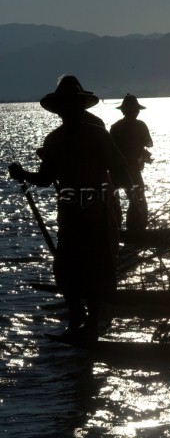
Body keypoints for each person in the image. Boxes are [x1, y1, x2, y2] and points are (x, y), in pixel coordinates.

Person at [8, 76, 134, 345]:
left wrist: (128, 198)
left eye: (73, 105)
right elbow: (45, 178)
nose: (69, 110)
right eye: (64, 106)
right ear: (59, 110)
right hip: (70, 212)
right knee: (65, 268)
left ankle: (91, 323)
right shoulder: (54, 140)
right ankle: (76, 317)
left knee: (97, 268)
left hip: (98, 210)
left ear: (80, 107)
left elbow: (120, 169)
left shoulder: (97, 134)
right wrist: (22, 174)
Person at [110, 93, 153, 230]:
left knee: (114, 201)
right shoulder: (141, 125)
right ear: (136, 111)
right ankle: (136, 229)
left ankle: (115, 228)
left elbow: (112, 149)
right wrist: (142, 151)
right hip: (132, 170)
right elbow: (149, 143)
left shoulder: (115, 127)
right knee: (138, 200)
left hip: (116, 171)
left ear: (123, 111)